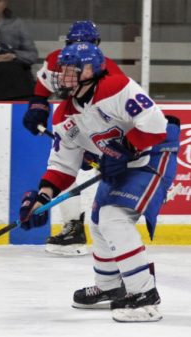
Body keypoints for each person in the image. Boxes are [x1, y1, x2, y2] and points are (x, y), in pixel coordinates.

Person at [18, 42, 180, 322]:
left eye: (71, 69)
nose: (62, 75)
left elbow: (155, 123)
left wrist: (127, 148)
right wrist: (42, 198)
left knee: (113, 217)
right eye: (62, 69)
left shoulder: (115, 87)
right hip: (121, 164)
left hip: (153, 155)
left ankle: (144, 294)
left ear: (92, 70)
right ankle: (109, 286)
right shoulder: (64, 116)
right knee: (97, 220)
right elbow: (62, 167)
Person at [22, 21, 127, 256]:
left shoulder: (112, 77)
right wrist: (38, 106)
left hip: (105, 127)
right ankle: (73, 228)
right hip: (77, 119)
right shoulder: (56, 64)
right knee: (65, 168)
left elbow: (133, 122)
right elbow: (43, 88)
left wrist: (102, 147)